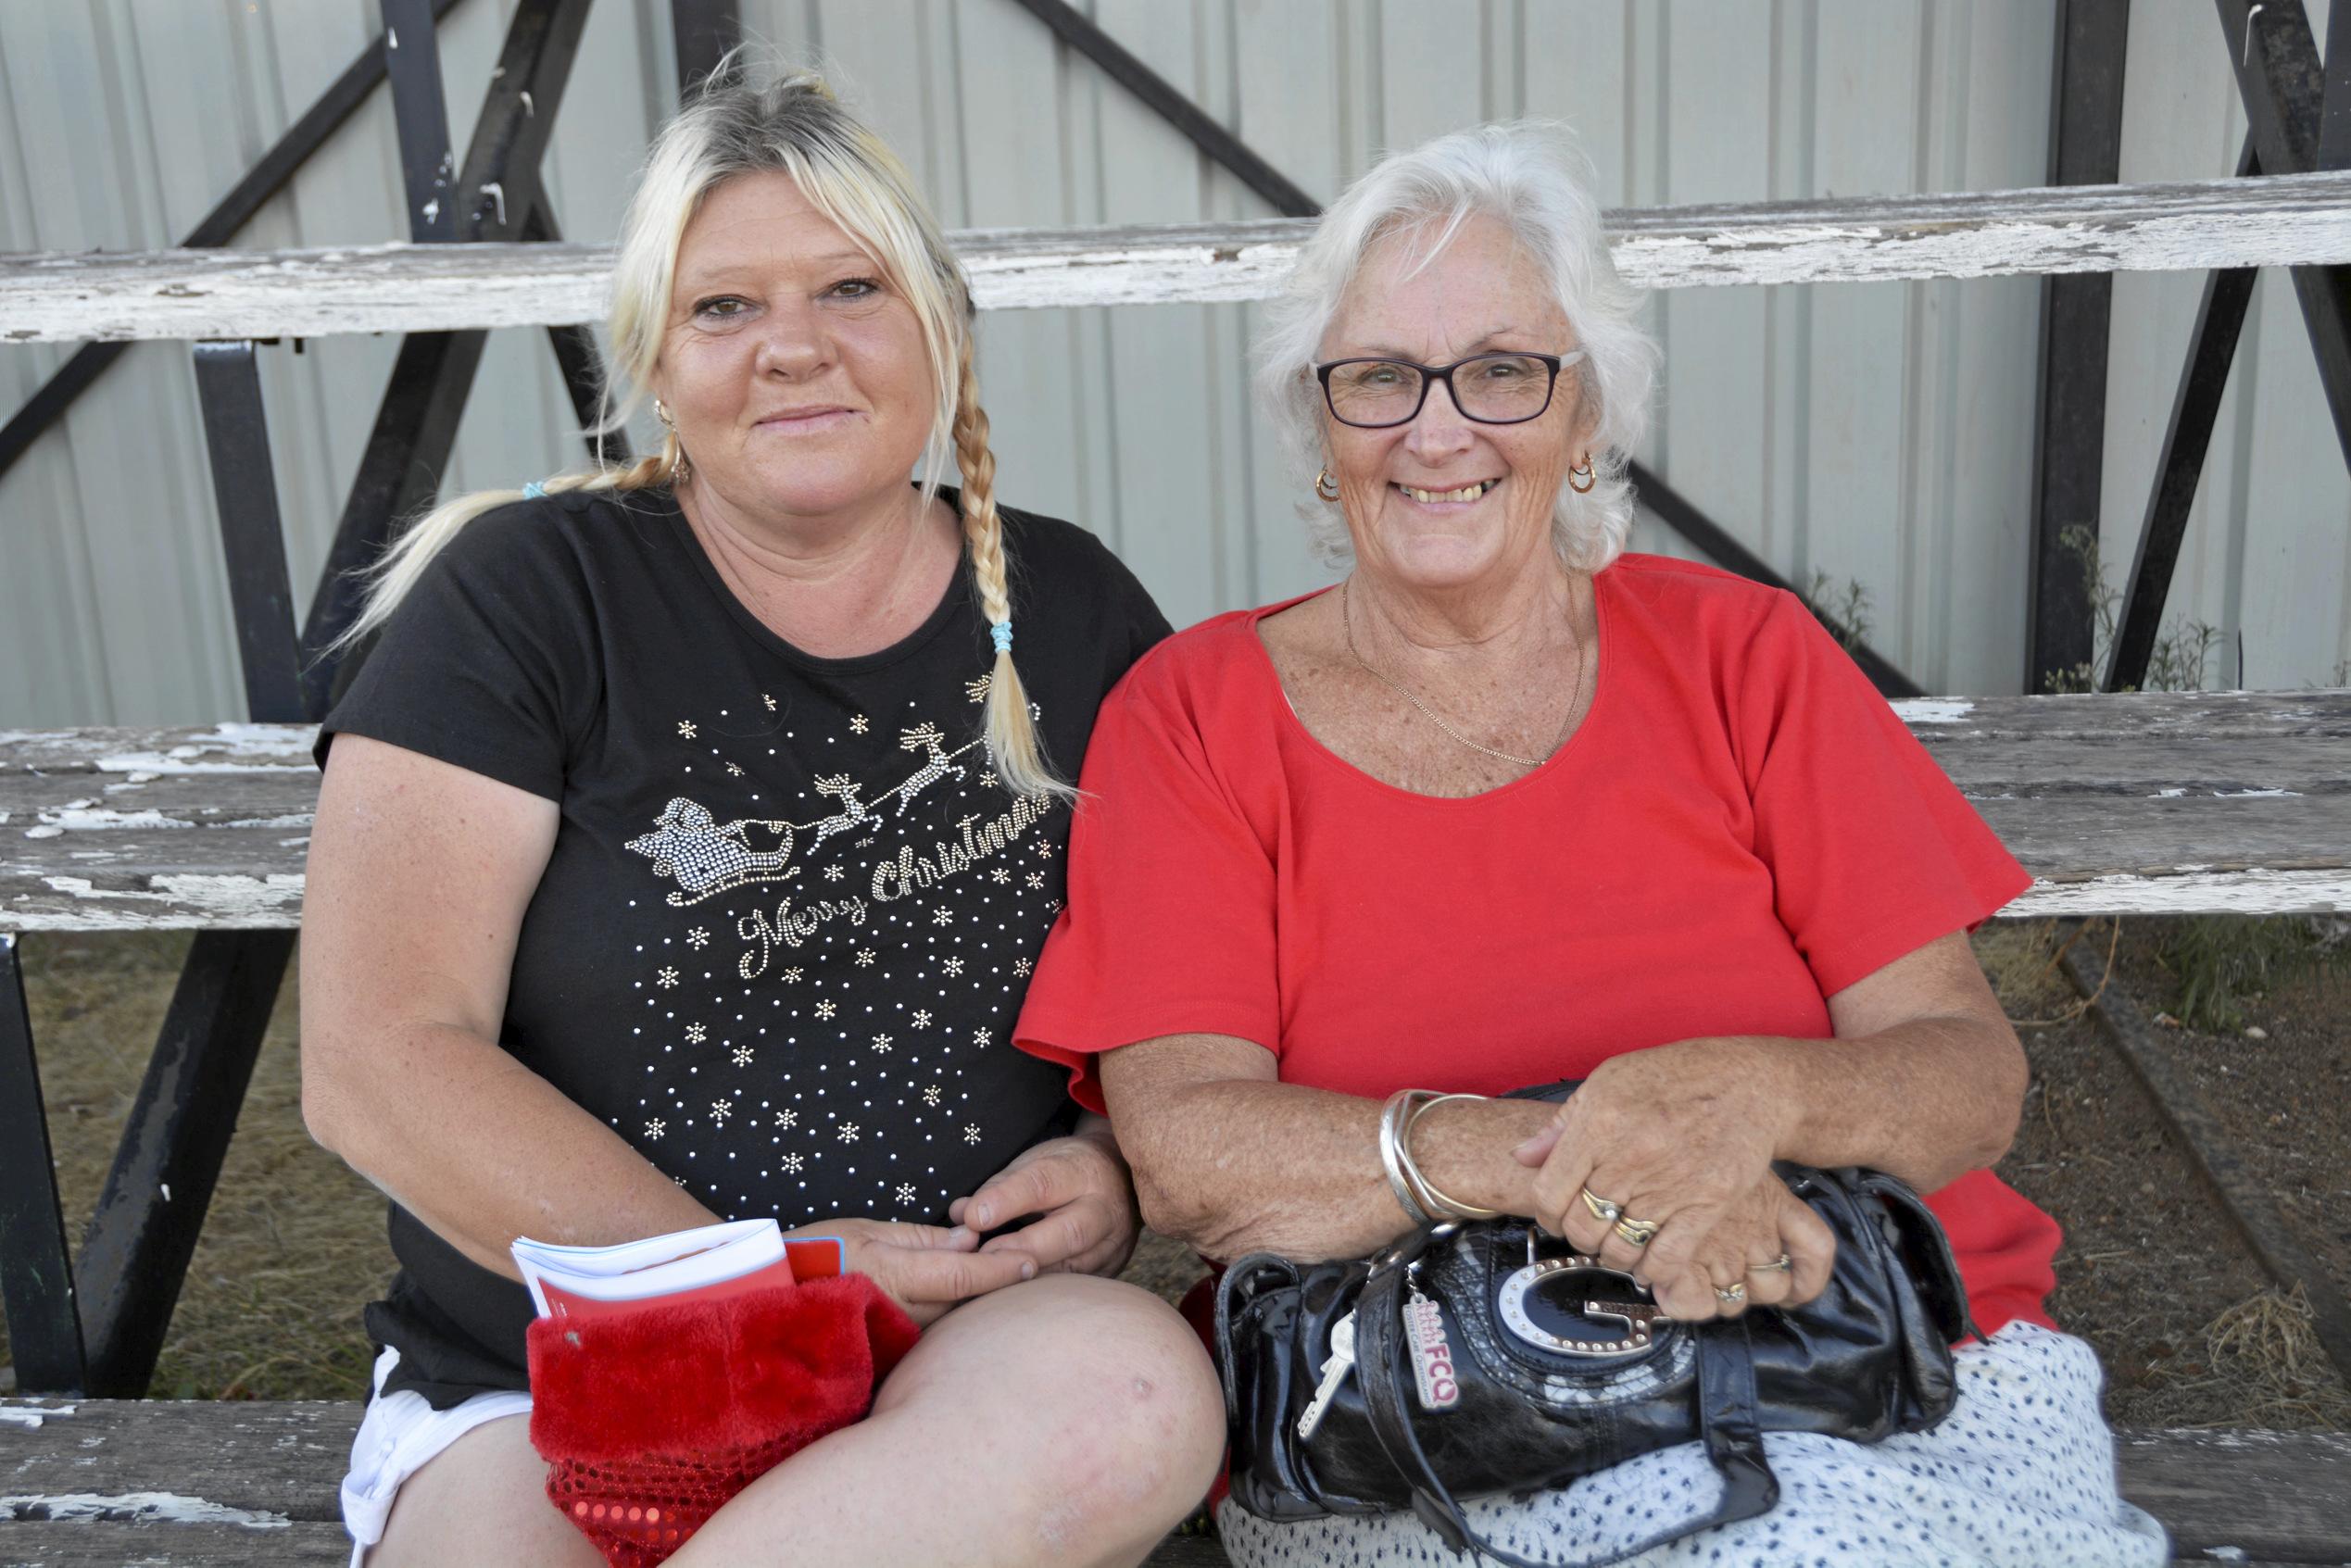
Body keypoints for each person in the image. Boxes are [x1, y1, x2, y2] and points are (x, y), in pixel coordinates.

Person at [1014, 121, 2169, 1567]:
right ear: (1320, 431)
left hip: (1866, 1344)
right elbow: (1187, 1154)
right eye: (1377, 379)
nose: (1437, 431)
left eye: (1503, 371)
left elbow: (1965, 1075)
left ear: (1586, 415)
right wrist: (1583, 1163)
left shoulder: (1740, 655)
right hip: (1436, 1401)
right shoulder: (1196, 714)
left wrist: (1746, 1102)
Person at [301, 61, 1223, 1568]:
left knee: (1129, 1392)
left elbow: (1182, 975)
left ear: (937, 324)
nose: (792, 350)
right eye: (724, 308)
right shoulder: (531, 598)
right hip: (568, 1369)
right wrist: (758, 1282)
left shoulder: (1070, 607)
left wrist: (1109, 1149)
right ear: (655, 361)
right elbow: (375, 1061)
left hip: (961, 1356)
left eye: (850, 287)